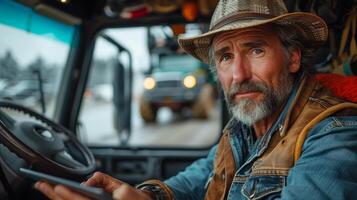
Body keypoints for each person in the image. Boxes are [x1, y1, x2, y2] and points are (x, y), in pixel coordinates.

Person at [36, 0, 357, 199]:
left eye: (256, 49)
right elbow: (201, 176)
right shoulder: (246, 128)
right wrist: (149, 197)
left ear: (293, 58)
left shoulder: (333, 134)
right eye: (225, 57)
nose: (239, 74)